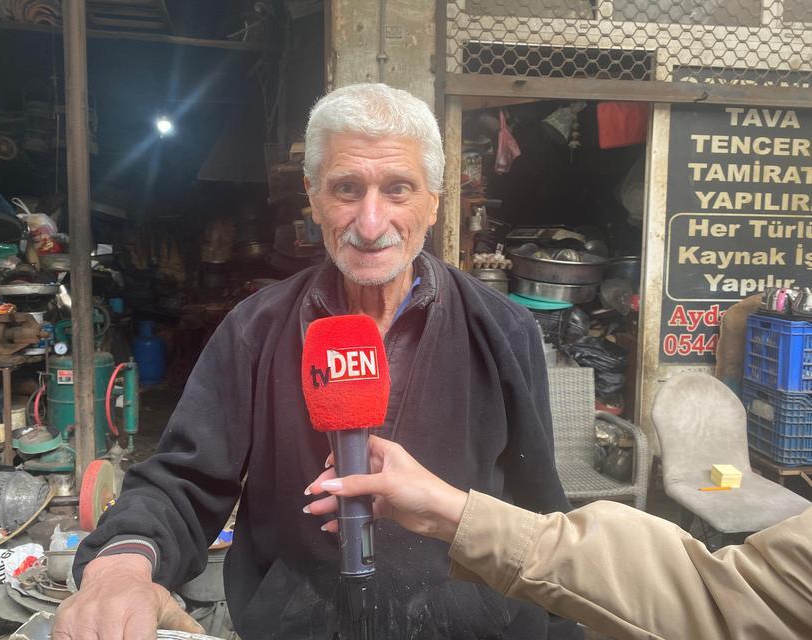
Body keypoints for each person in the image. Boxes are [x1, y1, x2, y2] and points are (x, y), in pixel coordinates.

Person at [53, 83, 579, 639]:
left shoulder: (503, 329)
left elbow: (538, 507)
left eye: (398, 189)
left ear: (434, 200)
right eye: (346, 188)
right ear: (313, 195)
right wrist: (120, 567)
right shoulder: (255, 329)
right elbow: (184, 478)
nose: (370, 224)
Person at [306, 435, 812, 640]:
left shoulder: (502, 324)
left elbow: (536, 476)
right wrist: (450, 512)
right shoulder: (264, 321)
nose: (371, 238)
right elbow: (722, 600)